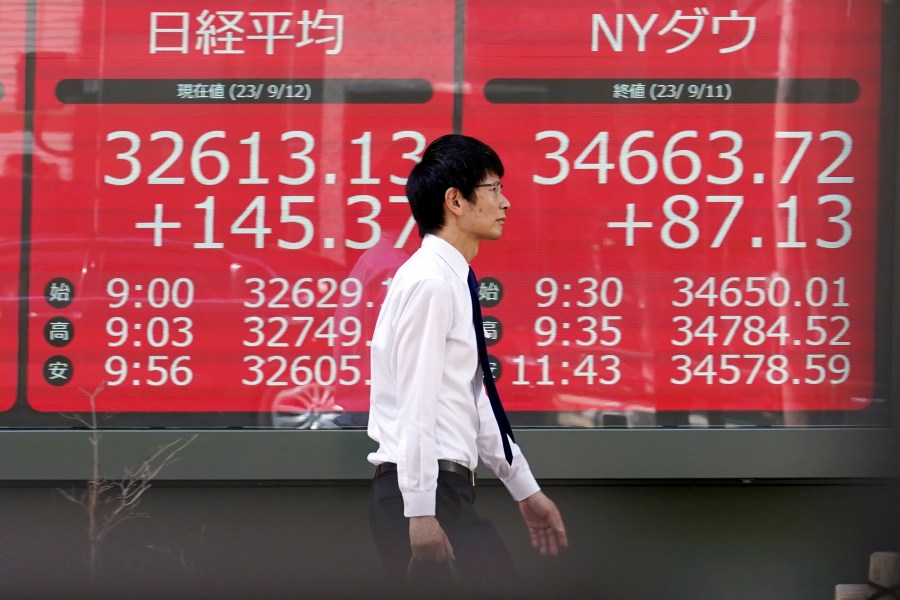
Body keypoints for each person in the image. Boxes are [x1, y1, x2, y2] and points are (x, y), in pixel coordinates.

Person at [367, 134, 568, 594]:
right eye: (494, 188)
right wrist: (419, 513)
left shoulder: (450, 279)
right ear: (455, 200)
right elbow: (416, 402)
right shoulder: (431, 283)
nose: (506, 202)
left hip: (440, 491)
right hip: (421, 493)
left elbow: (470, 398)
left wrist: (525, 490)